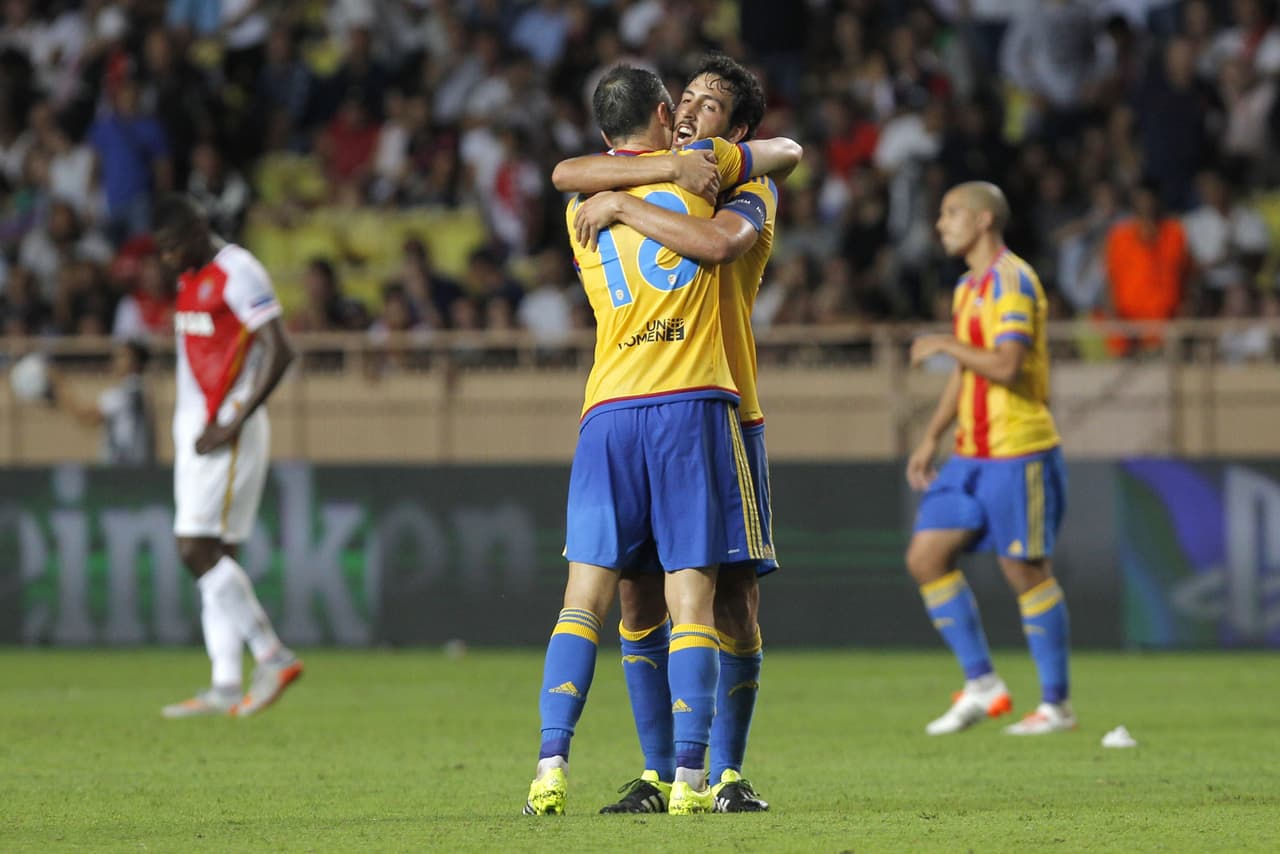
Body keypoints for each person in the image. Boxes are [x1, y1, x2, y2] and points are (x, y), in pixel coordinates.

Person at [524, 64, 796, 817]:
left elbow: (735, 218)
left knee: (731, 605)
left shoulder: (742, 185)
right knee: (645, 601)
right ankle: (660, 774)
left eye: (712, 105)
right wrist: (634, 181)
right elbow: (569, 169)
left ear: (735, 130)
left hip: (728, 410)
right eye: (687, 100)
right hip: (669, 404)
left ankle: (726, 771)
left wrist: (618, 199)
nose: (691, 113)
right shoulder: (658, 176)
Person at [905, 182, 1074, 736]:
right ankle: (983, 684)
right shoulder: (967, 288)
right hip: (970, 454)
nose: (940, 224)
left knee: (1024, 570)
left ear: (982, 220)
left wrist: (945, 344)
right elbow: (968, 369)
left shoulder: (1013, 280)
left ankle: (1056, 706)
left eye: (950, 213)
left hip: (1018, 448)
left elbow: (1004, 365)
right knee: (927, 556)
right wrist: (932, 436)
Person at [152, 195, 303, 719]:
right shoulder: (190, 276)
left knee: (193, 547)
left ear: (198, 229)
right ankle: (223, 684)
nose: (169, 259)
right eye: (163, 251)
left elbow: (279, 349)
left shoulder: (237, 270)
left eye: (174, 247)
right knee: (218, 557)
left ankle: (272, 654)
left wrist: (231, 422)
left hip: (226, 427)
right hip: (199, 428)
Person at [48, 339, 156, 466]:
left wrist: (58, 386)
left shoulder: (128, 392)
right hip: (135, 468)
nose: (116, 361)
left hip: (124, 469)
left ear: (136, 362)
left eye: (122, 356)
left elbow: (86, 415)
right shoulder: (139, 388)